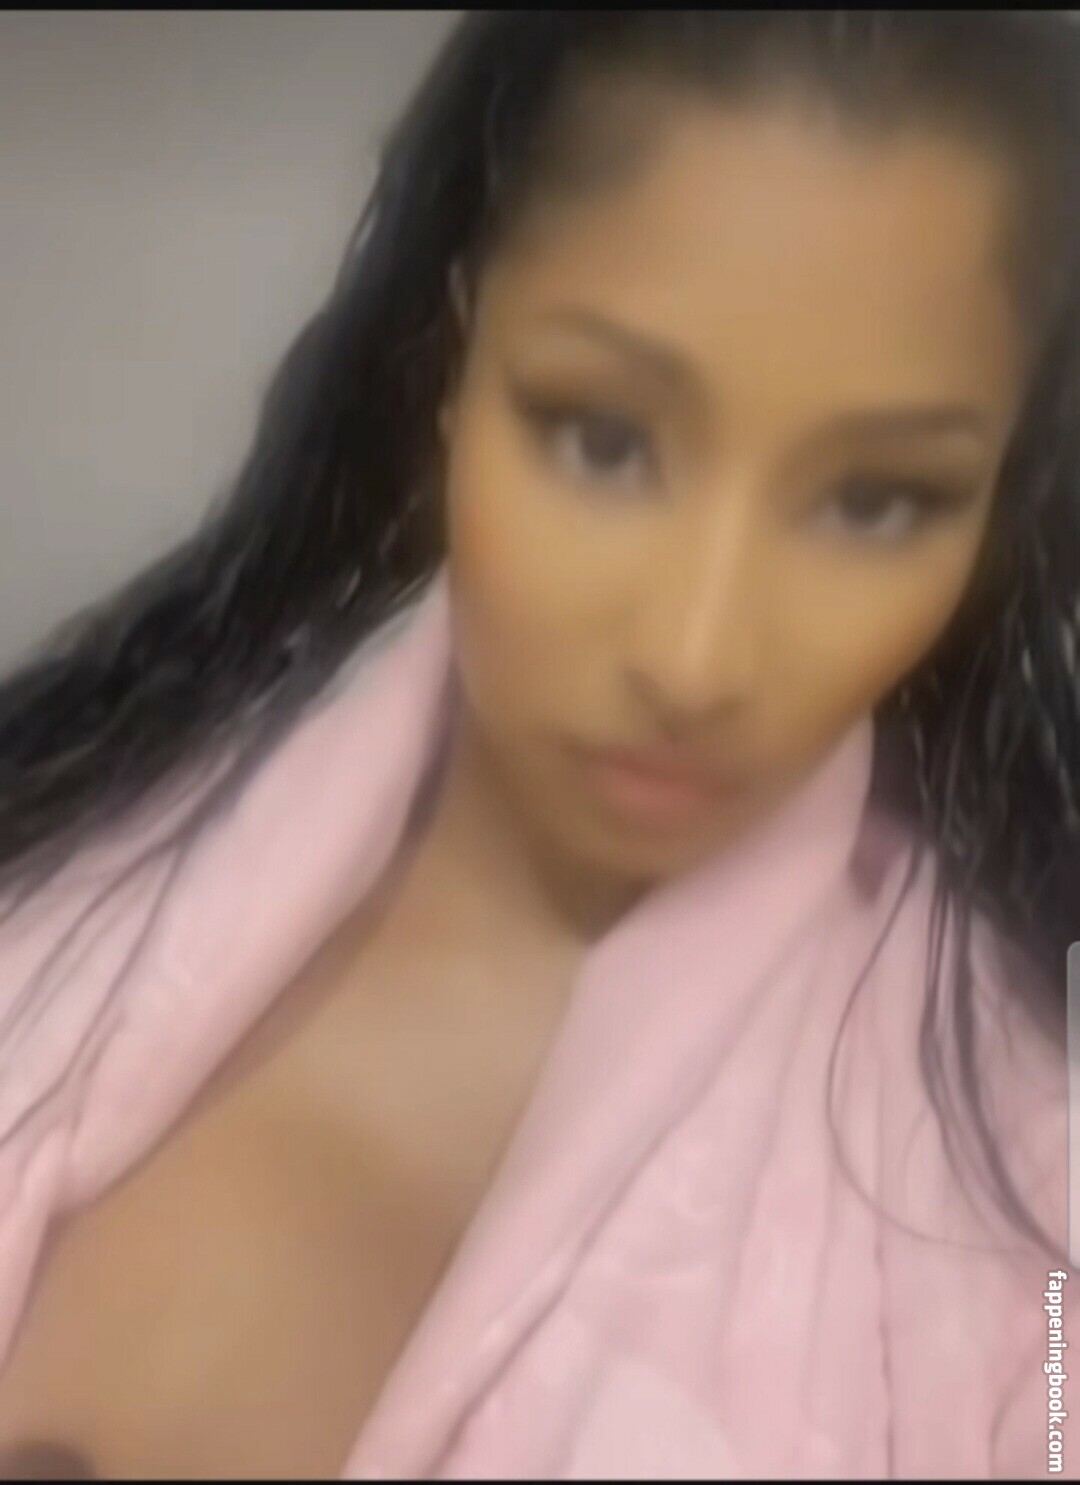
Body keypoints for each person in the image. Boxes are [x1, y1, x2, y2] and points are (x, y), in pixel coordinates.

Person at [0, 9, 1077, 1478]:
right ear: (453, 364)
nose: (696, 655)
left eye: (878, 501)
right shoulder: (40, 866)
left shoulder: (1039, 1267)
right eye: (601, 437)